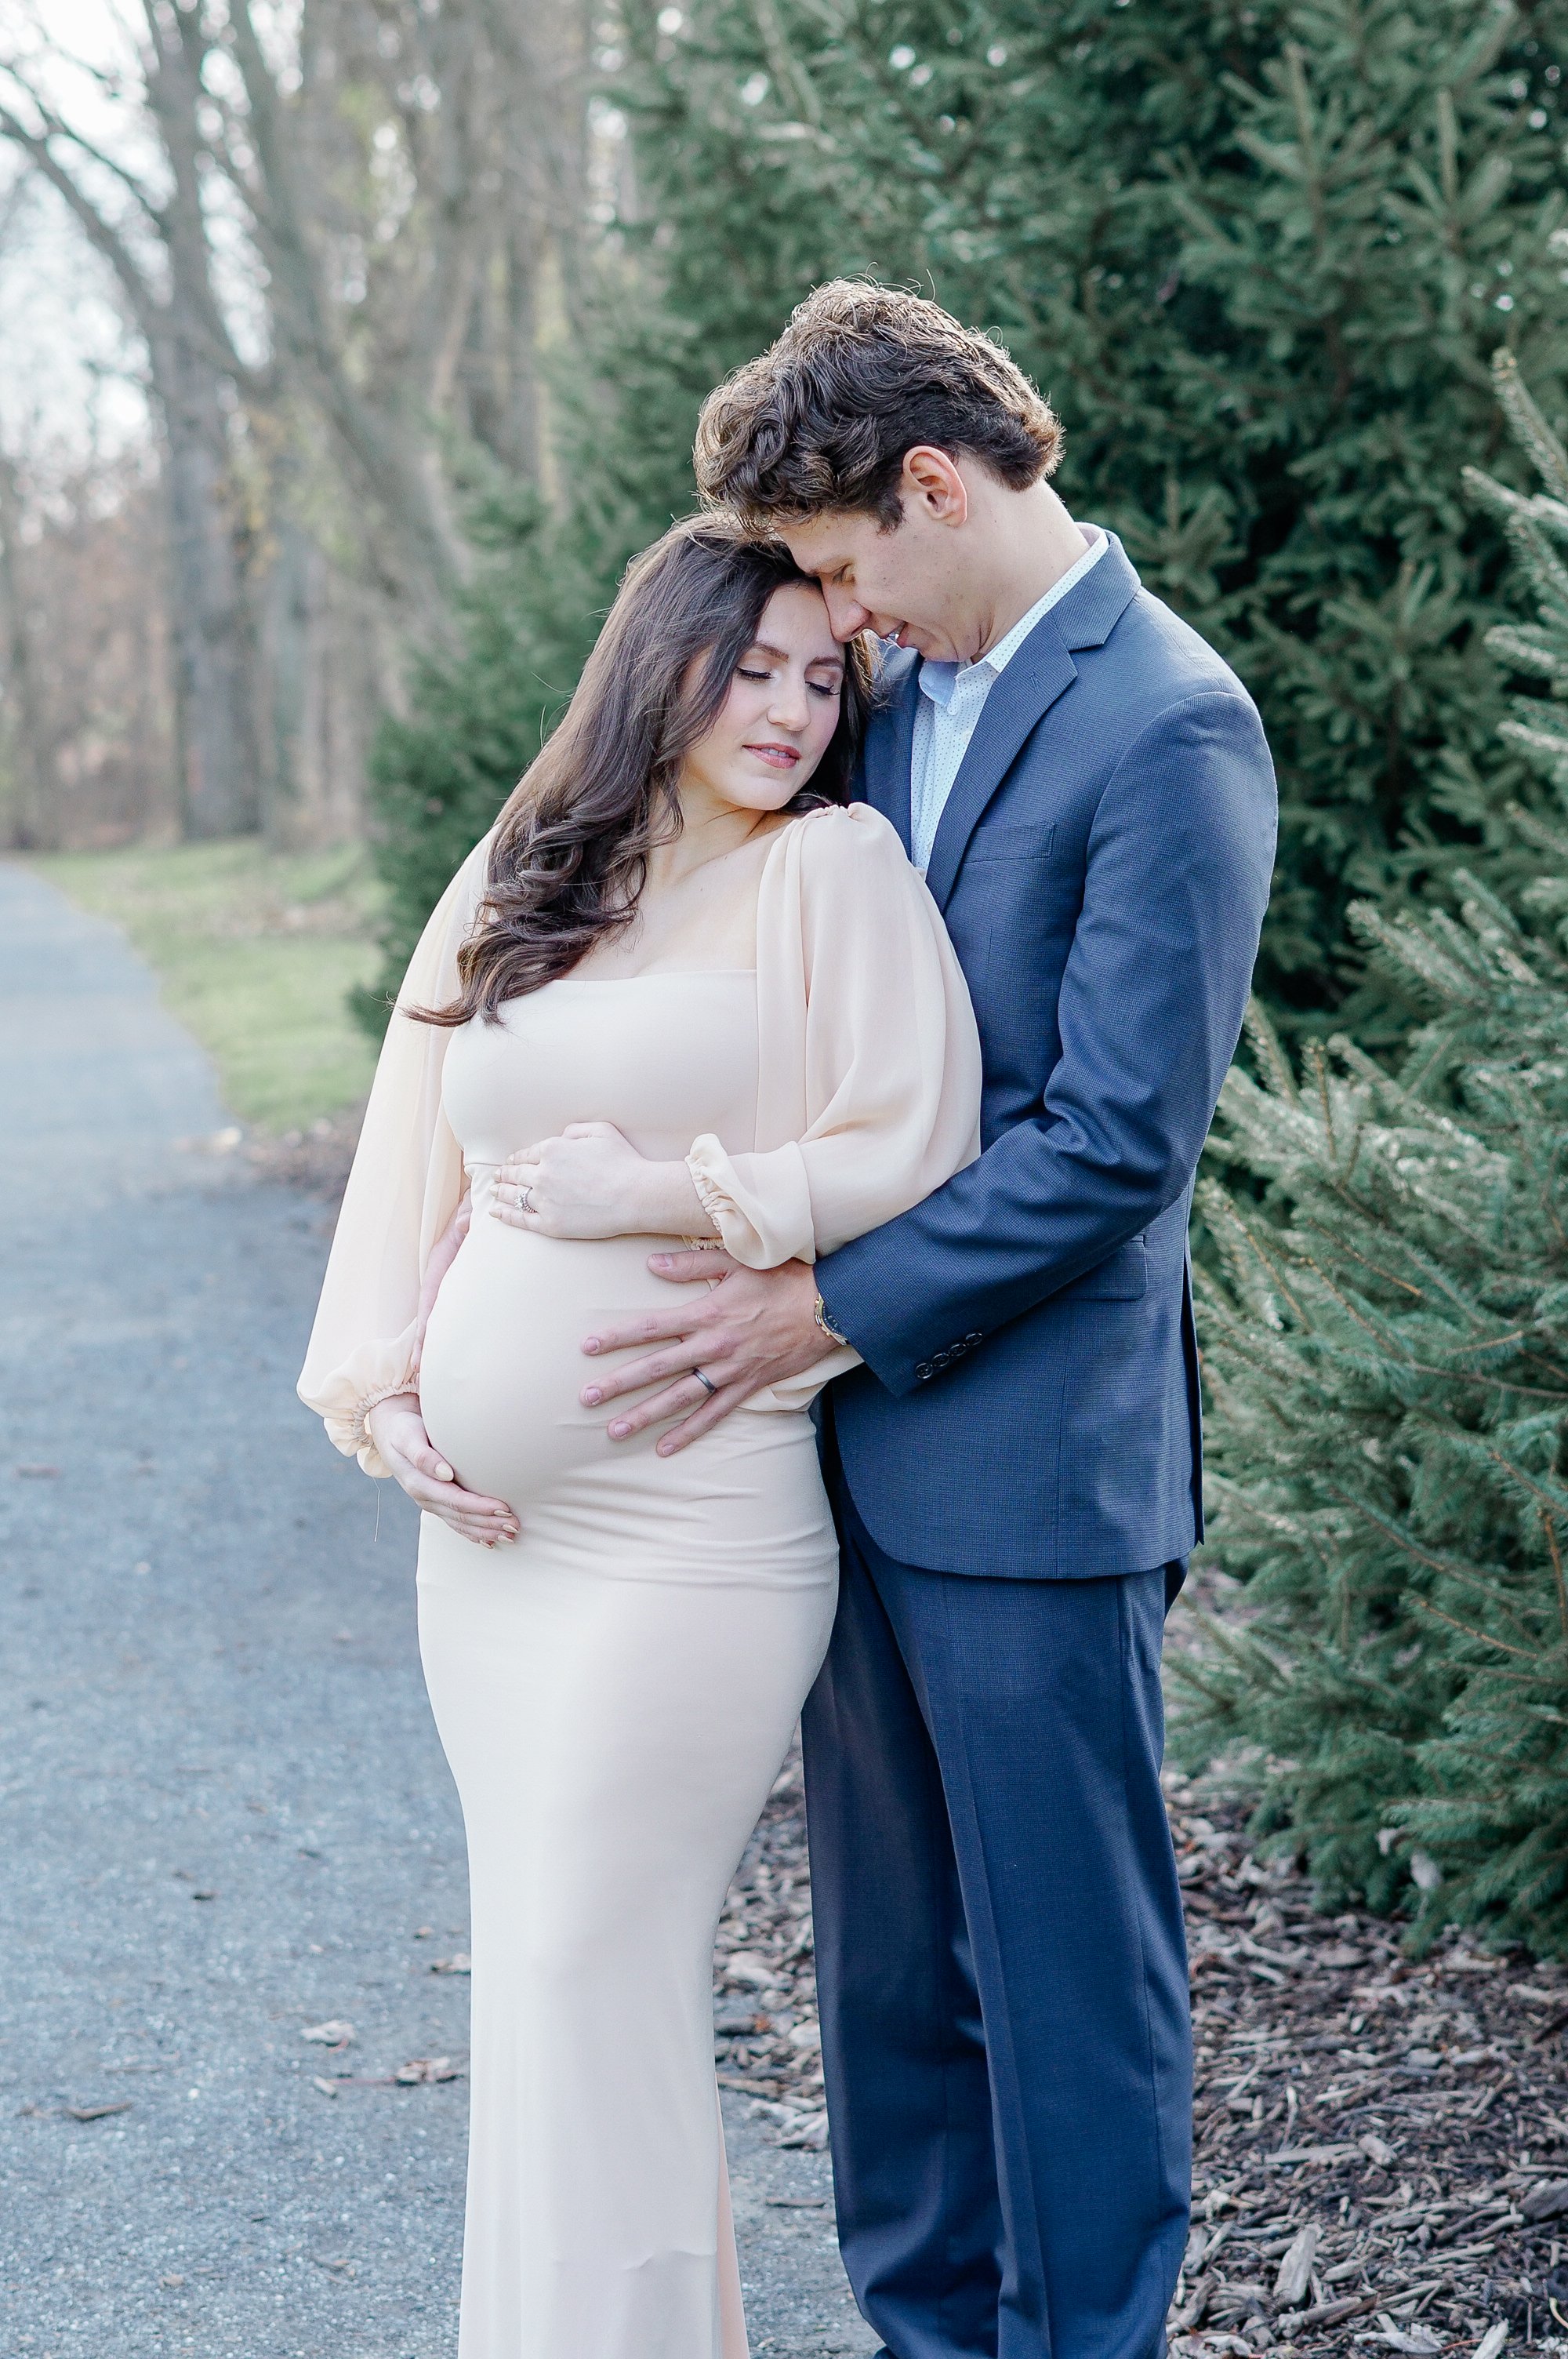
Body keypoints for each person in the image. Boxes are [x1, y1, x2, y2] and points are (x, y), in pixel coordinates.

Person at [572, 284, 1279, 2359]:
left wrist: (821, 1307)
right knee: (884, 1977)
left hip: (1031, 1466)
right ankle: (929, 2335)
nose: (837, 618)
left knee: (1063, 1976)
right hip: (835, 1468)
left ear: (940, 483)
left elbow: (1115, 1141)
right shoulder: (881, 696)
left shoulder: (1171, 722)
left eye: (850, 563)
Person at [296, 511, 981, 2359]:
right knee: (537, 1979)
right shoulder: (540, 860)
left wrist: (664, 1187)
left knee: (590, 1954)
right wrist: (391, 1391)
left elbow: (914, 1146)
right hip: (494, 1557)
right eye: (746, 666)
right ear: (655, 662)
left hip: (695, 1530)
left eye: (817, 676)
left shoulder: (831, 870)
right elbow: (419, 1143)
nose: (784, 706)